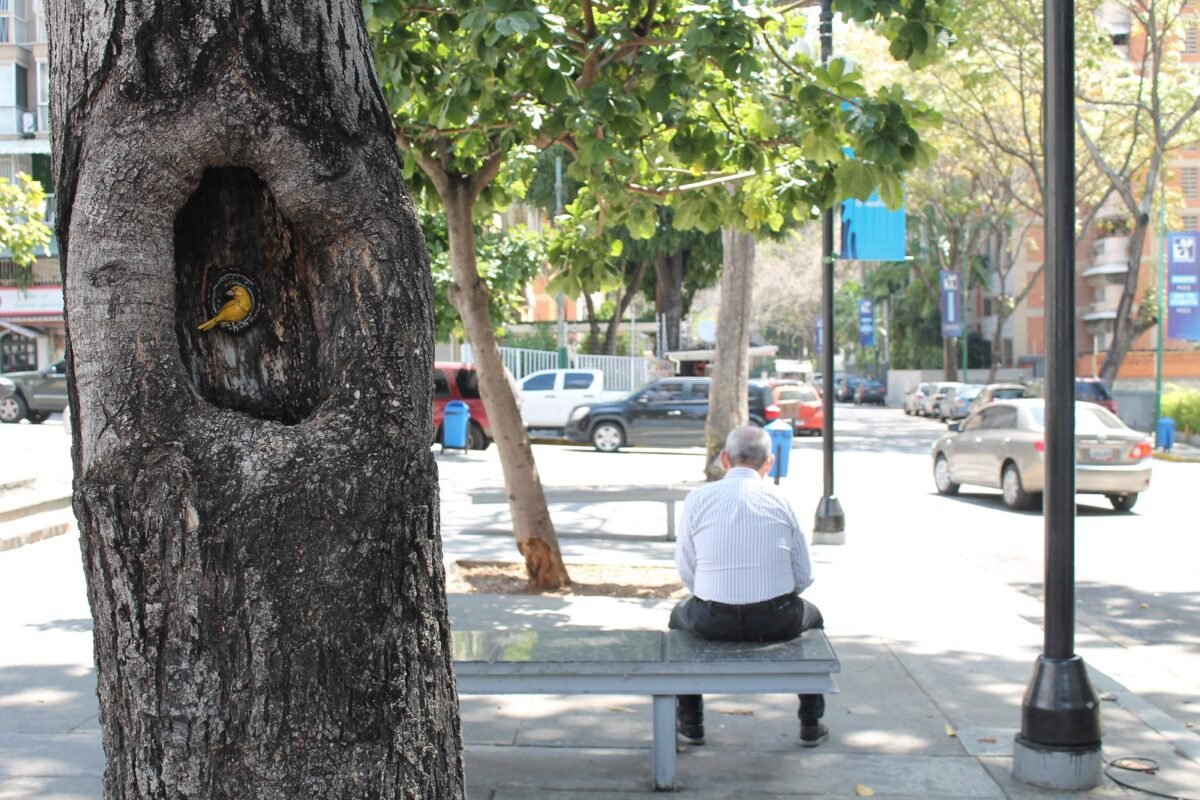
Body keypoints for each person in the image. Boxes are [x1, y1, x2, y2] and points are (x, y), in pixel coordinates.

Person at [669, 425, 828, 748]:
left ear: (725, 459)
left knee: (677, 619)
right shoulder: (783, 500)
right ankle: (811, 722)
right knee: (815, 619)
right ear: (768, 463)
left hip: (711, 620)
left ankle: (691, 721)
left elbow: (687, 571)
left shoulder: (698, 498)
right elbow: (805, 575)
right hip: (777, 620)